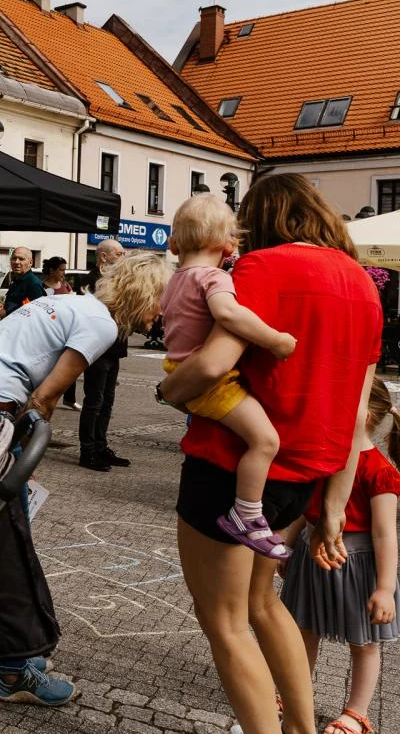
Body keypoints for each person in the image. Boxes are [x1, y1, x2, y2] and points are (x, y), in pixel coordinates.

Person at [158, 174, 382, 734]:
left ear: (258, 219)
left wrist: (168, 390)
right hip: (303, 478)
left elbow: (213, 363)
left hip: (229, 468)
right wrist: (334, 506)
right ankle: (301, 728)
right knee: (262, 603)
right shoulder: (363, 283)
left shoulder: (261, 267)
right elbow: (358, 413)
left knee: (225, 621)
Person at [0, 251, 171, 706]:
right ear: (144, 294)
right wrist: (25, 454)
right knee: (6, 545)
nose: (162, 312)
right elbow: (44, 397)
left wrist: (23, 452)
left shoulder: (71, 303)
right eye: (162, 300)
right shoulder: (100, 325)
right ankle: (12, 670)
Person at [162, 194, 299, 558]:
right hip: (213, 383)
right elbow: (229, 314)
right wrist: (276, 340)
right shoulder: (214, 277)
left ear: (173, 244)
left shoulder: (175, 279)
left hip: (180, 372)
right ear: (229, 245)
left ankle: (247, 513)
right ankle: (247, 515)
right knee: (265, 441)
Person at [280, 379, 398, 734]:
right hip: (310, 555)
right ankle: (294, 694)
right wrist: (287, 546)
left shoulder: (380, 471)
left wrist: (384, 588)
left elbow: (385, 534)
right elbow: (306, 508)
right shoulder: (324, 454)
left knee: (364, 643)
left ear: (367, 415)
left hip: (357, 566)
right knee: (302, 631)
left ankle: (356, 713)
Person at [78, 238, 129, 471]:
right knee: (94, 401)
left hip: (115, 347)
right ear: (103, 256)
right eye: (119, 253)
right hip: (98, 348)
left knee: (107, 401)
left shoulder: (119, 280)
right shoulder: (90, 282)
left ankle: (100, 445)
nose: (123, 257)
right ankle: (87, 451)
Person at [41, 257, 79, 410]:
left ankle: (70, 399)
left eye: (64, 269)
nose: (64, 273)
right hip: (50, 329)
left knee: (69, 363)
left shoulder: (66, 286)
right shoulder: (42, 287)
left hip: (65, 329)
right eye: (61, 270)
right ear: (52, 270)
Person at [4, 246, 44, 315]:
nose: (16, 262)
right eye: (14, 258)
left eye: (21, 259)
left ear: (30, 262)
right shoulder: (16, 280)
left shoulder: (33, 284)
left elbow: (36, 314)